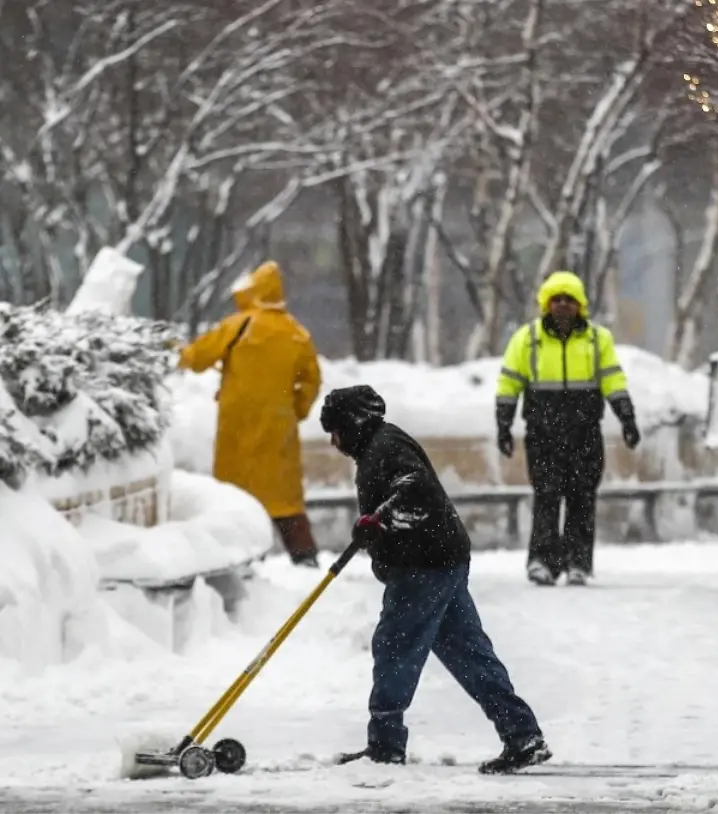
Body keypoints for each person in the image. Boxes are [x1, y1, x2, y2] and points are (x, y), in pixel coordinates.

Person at [319, 384, 552, 774]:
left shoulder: (386, 447)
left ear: (353, 423)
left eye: (336, 430)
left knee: (394, 647)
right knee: (468, 653)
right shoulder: (380, 445)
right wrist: (378, 526)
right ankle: (521, 734)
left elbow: (414, 487)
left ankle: (386, 744)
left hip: (424, 566)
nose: (333, 440)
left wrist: (380, 520)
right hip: (441, 559)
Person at [495, 271, 641, 587]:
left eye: (569, 300)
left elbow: (613, 380)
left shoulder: (597, 340)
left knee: (582, 498)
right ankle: (542, 561)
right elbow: (509, 382)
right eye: (556, 299)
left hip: (584, 433)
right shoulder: (527, 339)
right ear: (546, 304)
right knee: (546, 497)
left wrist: (627, 418)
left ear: (580, 305)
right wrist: (503, 425)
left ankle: (578, 562)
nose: (562, 306)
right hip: (542, 434)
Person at [178, 260, 322, 567]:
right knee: (284, 500)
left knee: (234, 498)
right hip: (278, 431)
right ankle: (305, 558)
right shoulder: (297, 333)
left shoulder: (238, 325)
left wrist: (173, 348)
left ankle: (237, 562)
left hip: (237, 429)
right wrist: (294, 409)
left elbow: (197, 358)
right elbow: (311, 381)